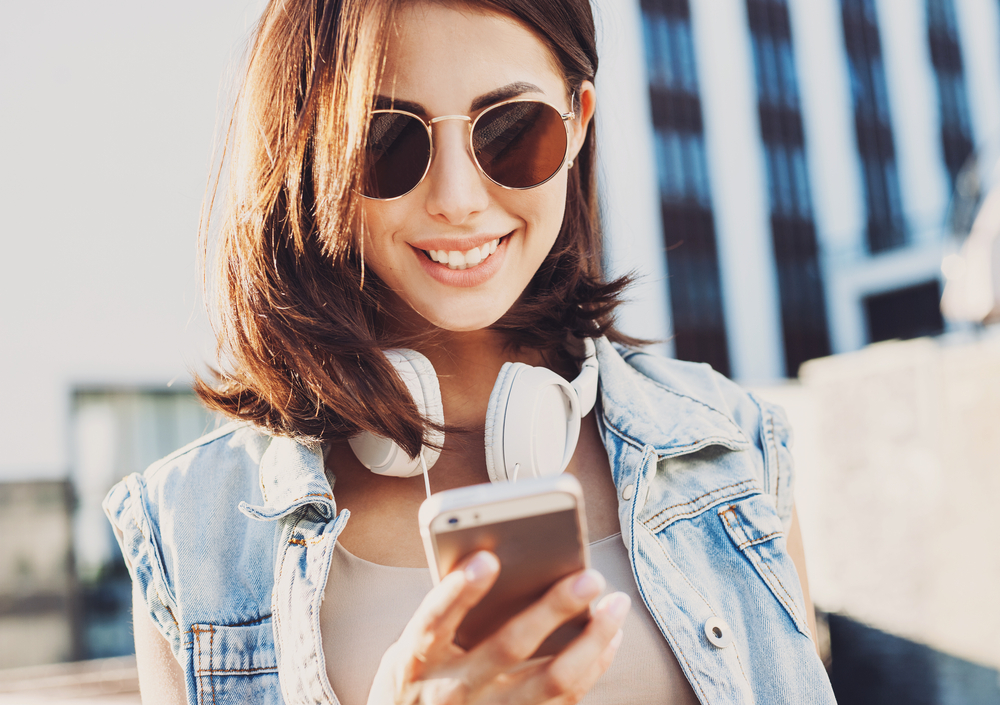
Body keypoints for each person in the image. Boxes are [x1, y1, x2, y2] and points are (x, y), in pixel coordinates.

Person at [104, 0, 837, 703]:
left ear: (578, 123)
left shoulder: (726, 444)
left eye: (511, 128)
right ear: (311, 147)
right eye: (388, 139)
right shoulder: (193, 532)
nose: (458, 197)